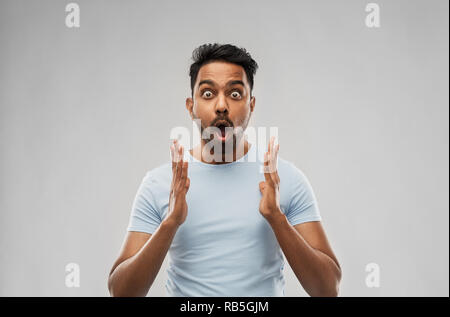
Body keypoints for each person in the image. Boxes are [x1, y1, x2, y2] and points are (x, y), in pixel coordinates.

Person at [108, 43, 342, 297]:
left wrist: (276, 217)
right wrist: (170, 223)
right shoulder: (160, 184)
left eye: (235, 94)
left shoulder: (285, 179)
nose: (221, 105)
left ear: (251, 105)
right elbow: (121, 292)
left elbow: (327, 289)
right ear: (191, 106)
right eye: (208, 94)